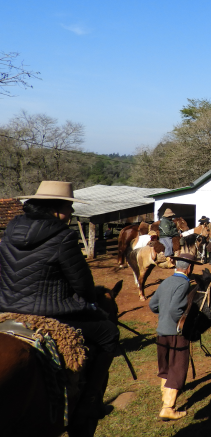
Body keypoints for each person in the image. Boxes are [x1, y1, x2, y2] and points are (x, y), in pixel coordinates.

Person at [0, 181, 121, 424]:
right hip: (50, 312)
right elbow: (83, 285)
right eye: (69, 207)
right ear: (54, 209)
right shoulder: (64, 236)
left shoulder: (9, 232)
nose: (72, 213)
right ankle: (90, 401)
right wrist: (87, 303)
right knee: (108, 334)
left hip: (6, 309)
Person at [149, 252, 197, 420]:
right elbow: (175, 309)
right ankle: (168, 407)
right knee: (177, 368)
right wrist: (182, 321)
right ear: (189, 268)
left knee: (166, 367)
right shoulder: (184, 284)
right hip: (176, 334)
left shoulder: (166, 281)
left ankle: (165, 398)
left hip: (161, 332)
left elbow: (152, 305)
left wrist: (163, 317)